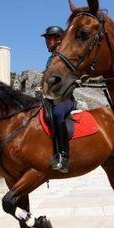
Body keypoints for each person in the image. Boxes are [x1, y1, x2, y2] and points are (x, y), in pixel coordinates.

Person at [42, 26, 76, 173]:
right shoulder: (51, 58)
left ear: (58, 39)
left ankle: (63, 156)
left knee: (57, 114)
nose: (46, 42)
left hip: (65, 99)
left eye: (48, 38)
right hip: (50, 98)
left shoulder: (65, 55)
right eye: (46, 39)